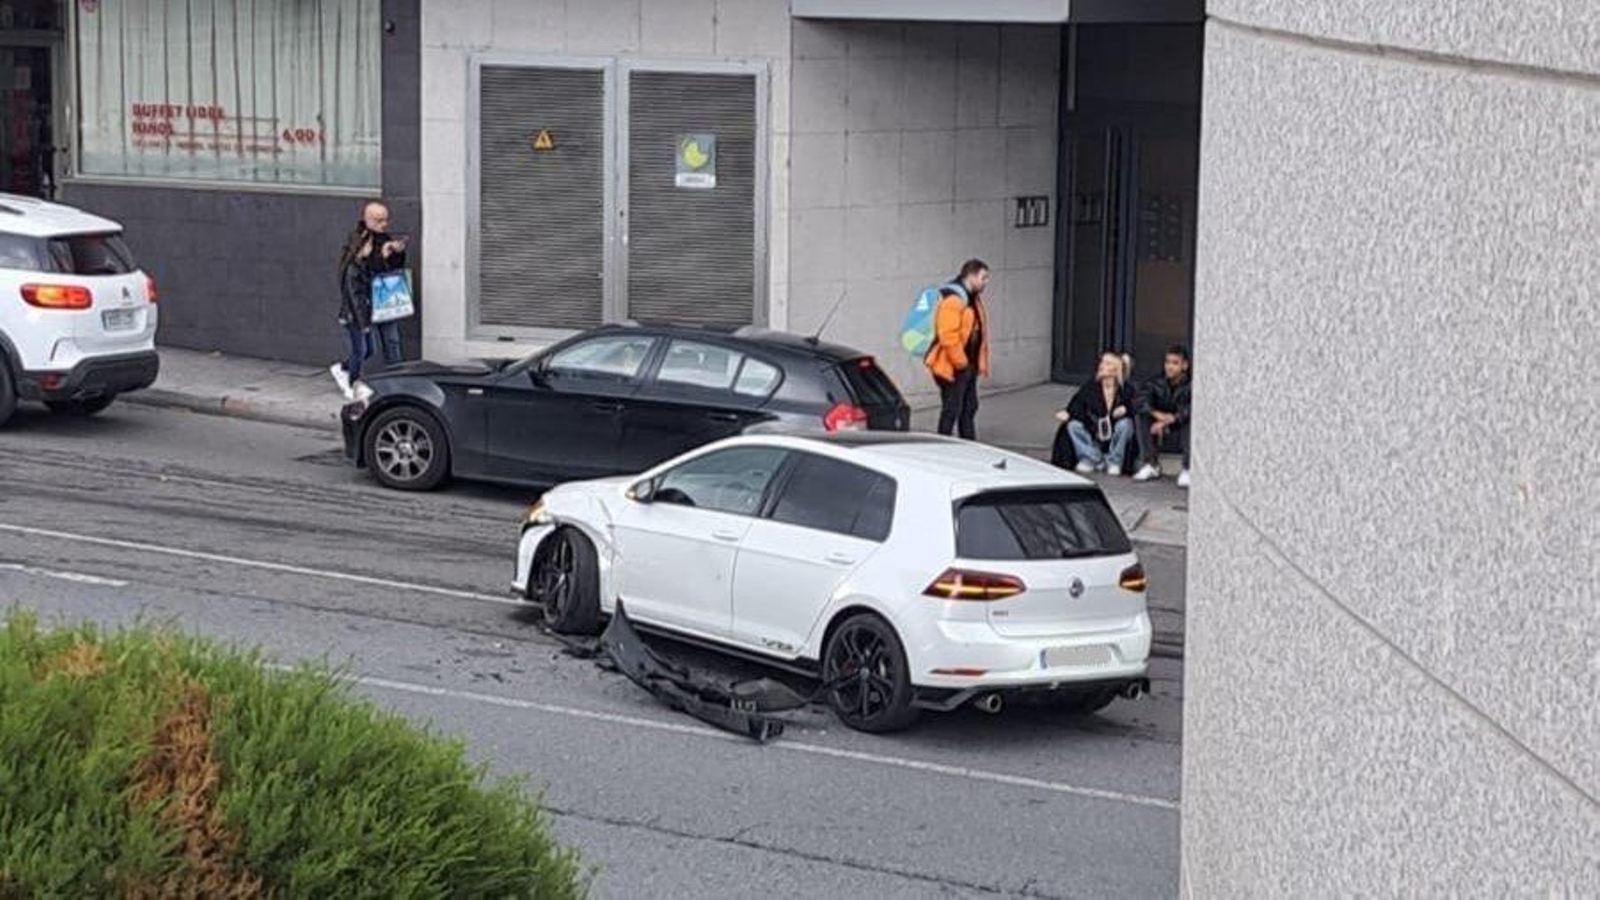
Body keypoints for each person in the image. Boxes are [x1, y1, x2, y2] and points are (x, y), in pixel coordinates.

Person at [330, 201, 408, 398]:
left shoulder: (384, 237)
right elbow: (360, 276)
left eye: (386, 219)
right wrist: (380, 255)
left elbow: (389, 269)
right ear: (368, 219)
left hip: (383, 299)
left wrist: (396, 253)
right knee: (364, 349)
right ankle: (350, 379)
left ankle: (397, 382)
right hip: (365, 302)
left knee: (391, 341)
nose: (384, 224)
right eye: (379, 220)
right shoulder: (358, 240)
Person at [924, 259, 991, 439]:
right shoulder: (954, 300)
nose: (986, 282)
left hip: (967, 365)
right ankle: (943, 444)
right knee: (953, 409)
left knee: (968, 408)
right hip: (955, 367)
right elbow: (948, 336)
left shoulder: (972, 298)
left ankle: (968, 444)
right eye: (983, 278)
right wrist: (962, 364)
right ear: (971, 276)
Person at [1053, 352, 1137, 476]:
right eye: (1102, 362)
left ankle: (1114, 461)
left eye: (1107, 363)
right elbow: (1077, 405)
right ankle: (1092, 458)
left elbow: (1137, 406)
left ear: (1116, 370)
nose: (1102, 366)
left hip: (1114, 437)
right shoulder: (1090, 387)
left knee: (1125, 424)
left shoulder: (1126, 389)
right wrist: (1068, 413)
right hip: (1095, 435)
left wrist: (1126, 409)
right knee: (1073, 426)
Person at [1132, 344, 1193, 487]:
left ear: (1184, 366)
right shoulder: (1156, 382)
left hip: (1180, 429)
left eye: (1175, 363)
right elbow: (1140, 400)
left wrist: (1172, 419)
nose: (1169, 367)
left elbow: (1193, 408)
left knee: (1191, 420)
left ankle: (1188, 468)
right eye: (1167, 362)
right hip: (1159, 429)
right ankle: (1151, 464)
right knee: (1142, 416)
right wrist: (1156, 414)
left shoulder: (1192, 385)